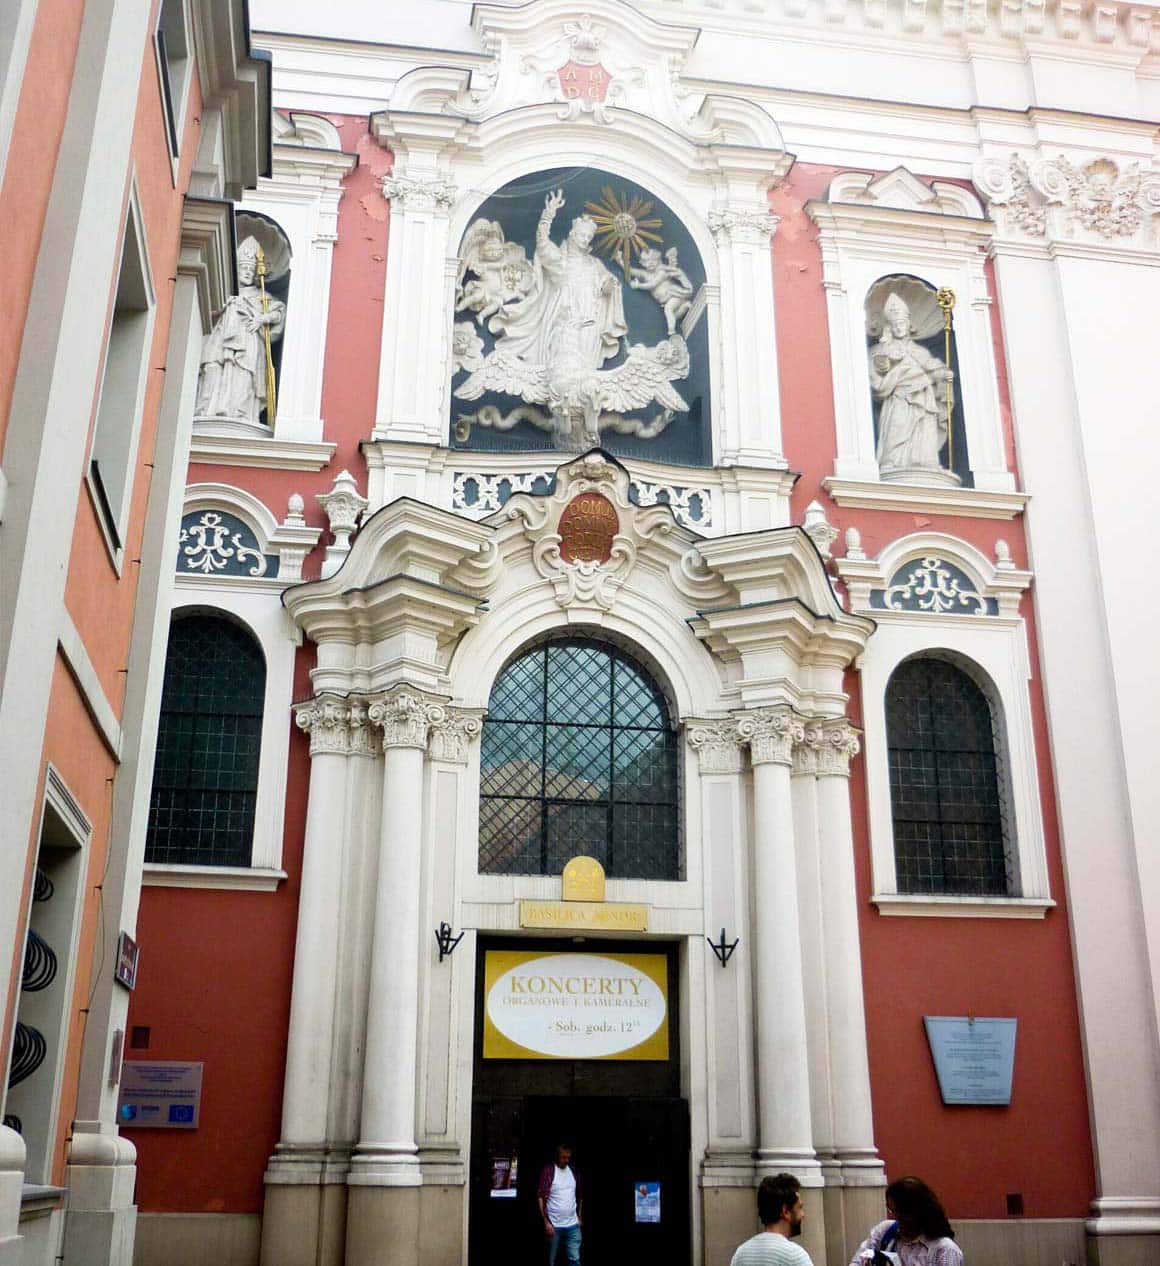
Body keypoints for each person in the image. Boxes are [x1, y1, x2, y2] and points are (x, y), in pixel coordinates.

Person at [194, 236, 285, 424]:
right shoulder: (222, 292)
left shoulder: (261, 296)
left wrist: (262, 318)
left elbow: (278, 312)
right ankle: (208, 408)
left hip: (247, 339)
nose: (247, 273)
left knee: (243, 375)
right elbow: (205, 311)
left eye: (251, 270)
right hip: (221, 337)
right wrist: (222, 307)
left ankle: (240, 414)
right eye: (244, 269)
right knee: (212, 367)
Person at [868, 292, 954, 478]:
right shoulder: (883, 348)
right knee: (897, 429)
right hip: (899, 396)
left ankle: (926, 462)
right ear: (890, 327)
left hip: (923, 396)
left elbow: (933, 366)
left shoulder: (919, 350)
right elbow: (877, 371)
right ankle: (891, 461)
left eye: (903, 324)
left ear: (909, 326)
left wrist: (944, 374)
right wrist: (885, 360)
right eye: (896, 325)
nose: (900, 328)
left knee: (925, 430)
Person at [850, 1176, 963, 1265]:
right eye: (892, 1210)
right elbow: (857, 1262)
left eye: (901, 1213)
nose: (896, 1218)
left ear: (919, 1212)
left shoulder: (945, 1251)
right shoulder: (885, 1232)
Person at [730, 1172, 814, 1266]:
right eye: (800, 1208)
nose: (803, 1214)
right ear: (785, 1211)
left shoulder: (741, 1254)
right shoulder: (794, 1255)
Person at [537, 1143, 582, 1266]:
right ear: (557, 1156)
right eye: (563, 1157)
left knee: (575, 1260)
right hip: (554, 1225)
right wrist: (545, 1221)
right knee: (551, 1261)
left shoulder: (573, 1171)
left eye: (568, 1157)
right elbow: (540, 1196)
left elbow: (579, 1195)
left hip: (573, 1225)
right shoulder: (549, 1171)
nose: (566, 1160)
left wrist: (579, 1216)